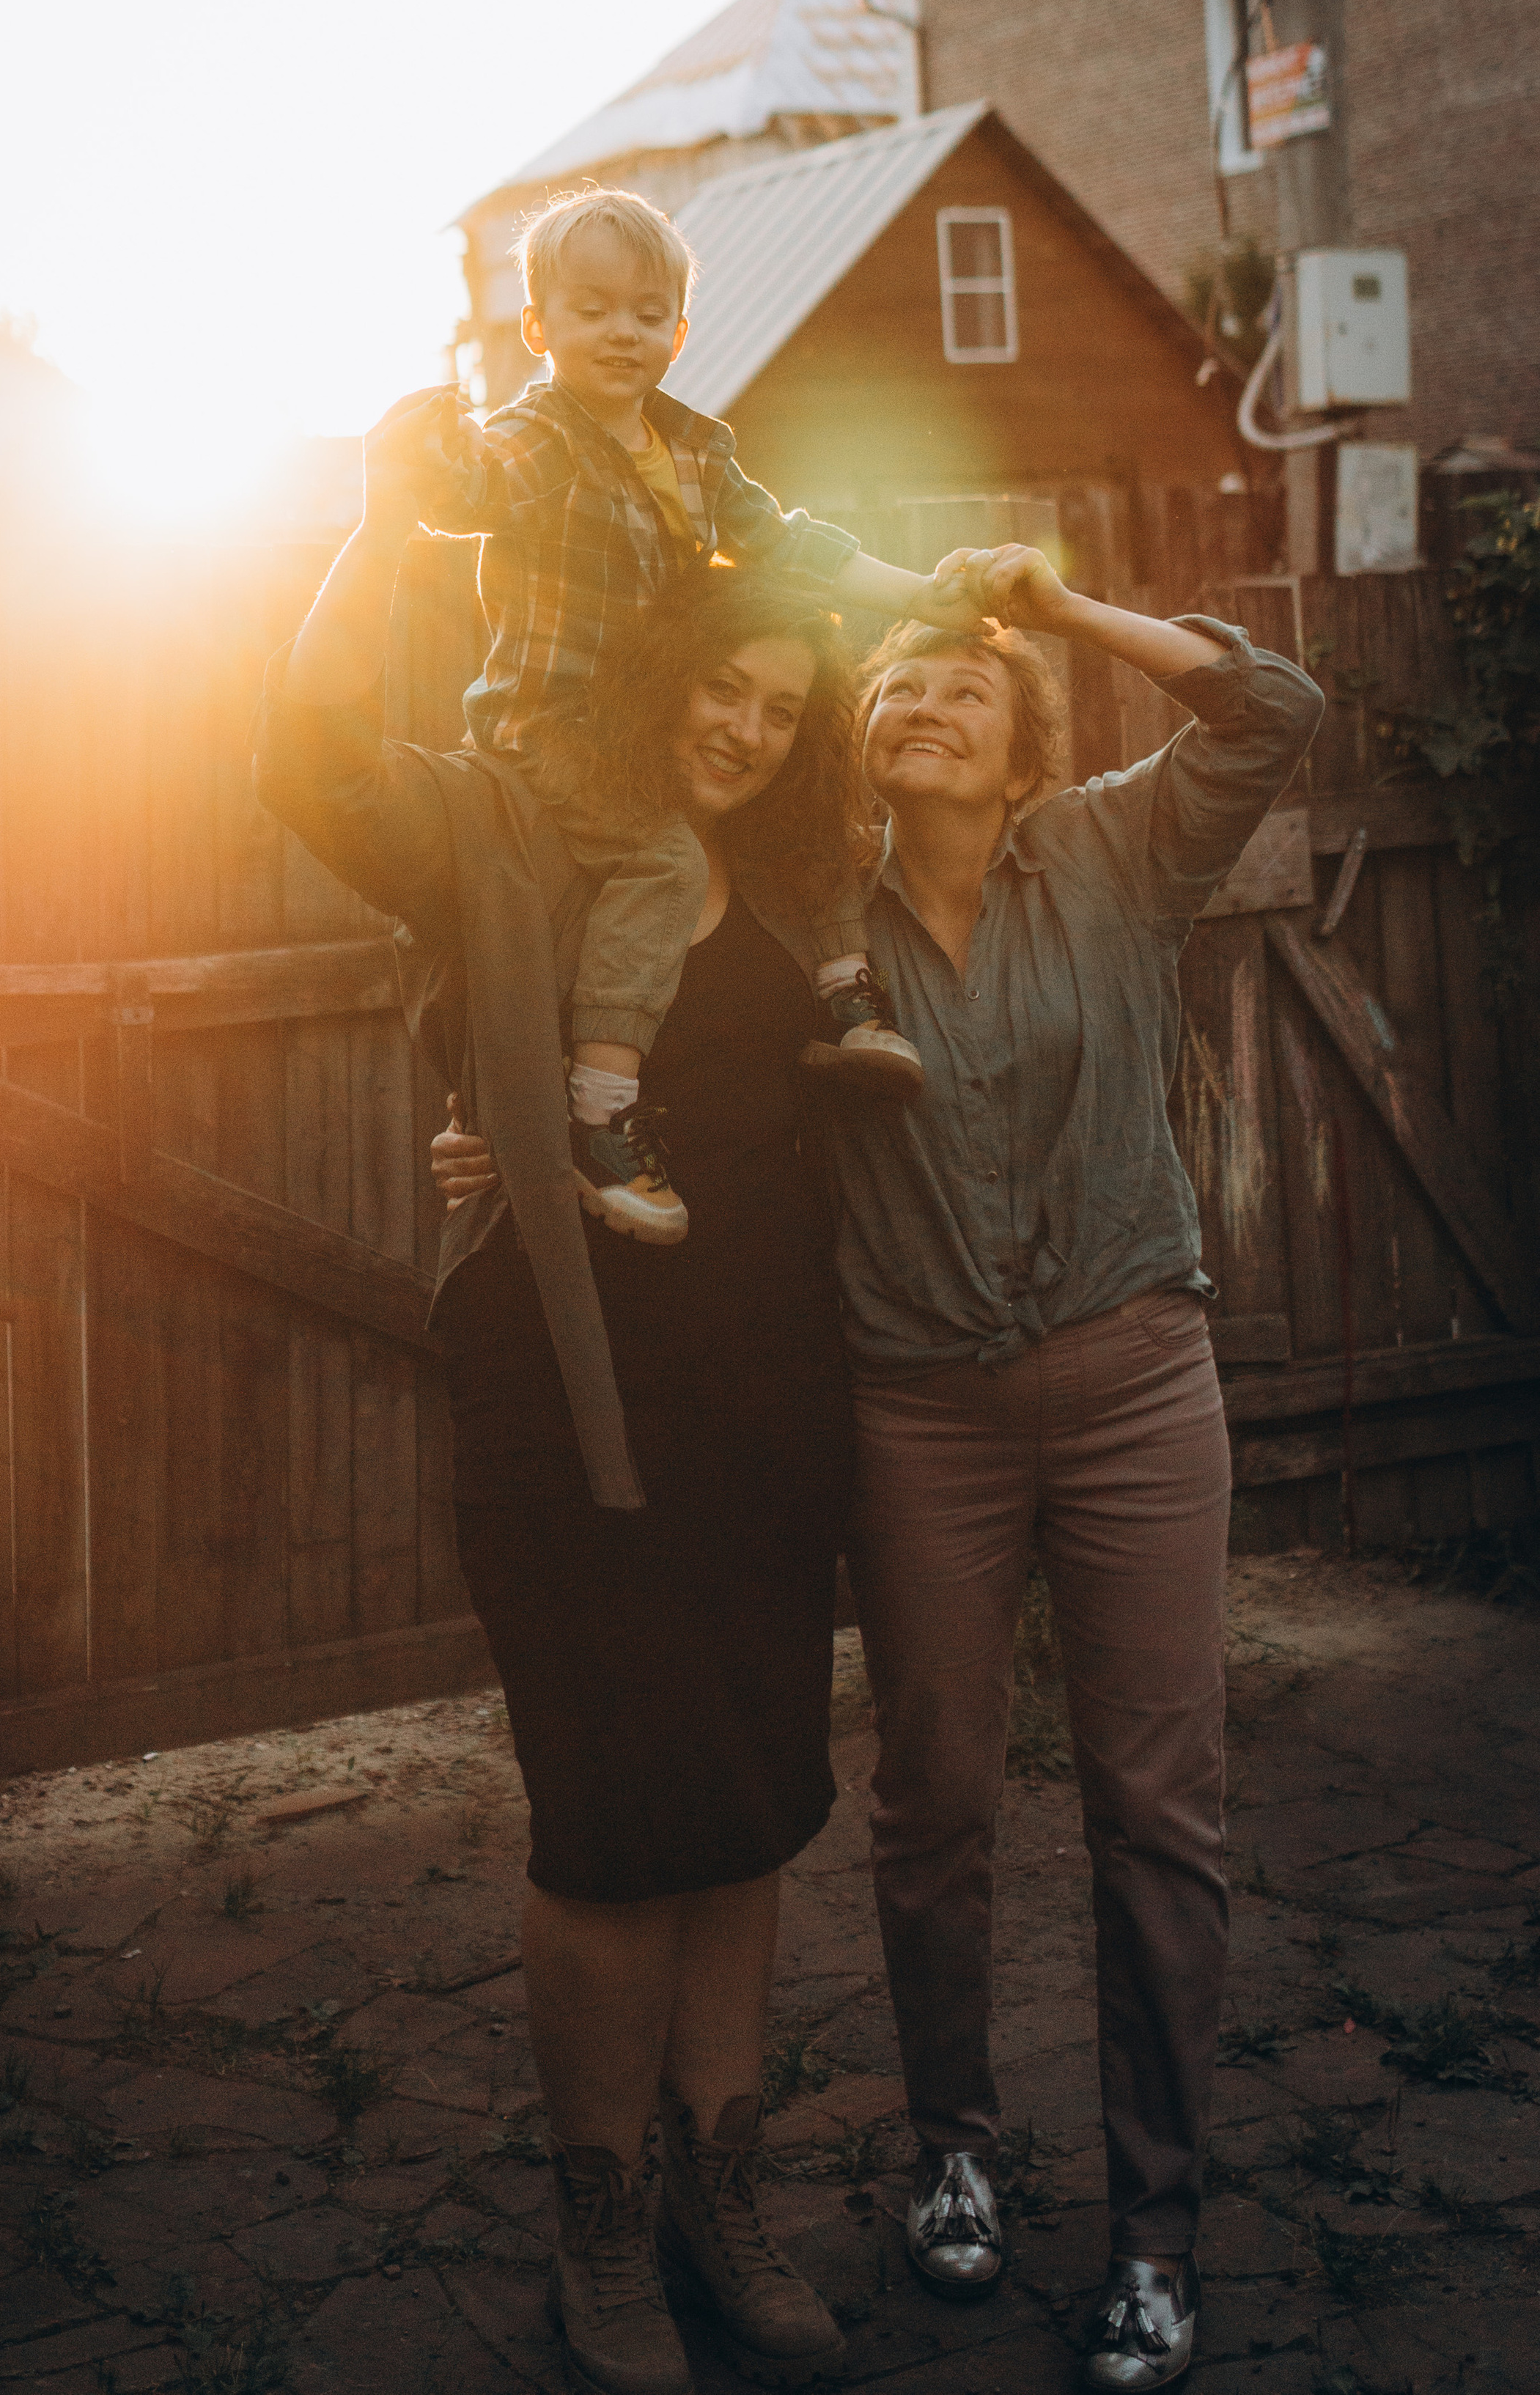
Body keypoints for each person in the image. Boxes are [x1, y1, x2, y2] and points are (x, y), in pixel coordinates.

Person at [435, 546, 1324, 2395]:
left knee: (1155, 1807)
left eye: (964, 688)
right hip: (915, 1405)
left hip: (1131, 1376)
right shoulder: (794, 899)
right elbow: (654, 1046)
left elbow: (1274, 711)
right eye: (895, 685)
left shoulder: (1108, 853)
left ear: (1020, 747)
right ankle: (954, 2166)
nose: (920, 701)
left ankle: (1155, 2234)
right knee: (932, 1806)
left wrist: (1055, 611)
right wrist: (492, 1134)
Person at [254, 508, 885, 2395]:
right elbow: (308, 755)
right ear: (651, 672)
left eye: (780, 707)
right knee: (616, 1826)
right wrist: (379, 507)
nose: (746, 729)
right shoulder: (507, 820)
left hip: (771, 1403)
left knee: (753, 1801)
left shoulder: (788, 869)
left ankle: (724, 2192)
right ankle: (598, 2225)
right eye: (721, 687)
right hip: (571, 1399)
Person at [364, 185, 953, 1245]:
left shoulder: (696, 452)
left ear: (679, 333)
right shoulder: (535, 441)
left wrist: (919, 595)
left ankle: (848, 994)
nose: (620, 333)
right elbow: (463, 491)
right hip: (553, 724)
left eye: (646, 313)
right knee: (666, 866)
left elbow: (790, 542)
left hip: (642, 718)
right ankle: (602, 1109)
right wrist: (427, 432)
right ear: (537, 328)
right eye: (590, 310)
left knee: (812, 794)